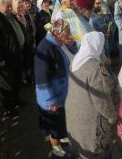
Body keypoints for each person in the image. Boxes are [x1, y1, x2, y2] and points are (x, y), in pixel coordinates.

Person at [66, 32, 117, 159]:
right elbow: (102, 101)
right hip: (90, 125)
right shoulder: (95, 68)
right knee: (101, 153)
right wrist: (113, 117)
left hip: (74, 119)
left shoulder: (76, 60)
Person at [35, 19, 75, 158]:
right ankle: (56, 150)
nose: (70, 33)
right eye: (67, 31)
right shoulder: (45, 48)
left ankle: (62, 138)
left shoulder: (57, 42)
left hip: (60, 93)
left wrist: (70, 43)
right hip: (52, 98)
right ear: (58, 33)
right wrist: (50, 100)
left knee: (60, 121)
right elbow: (41, 78)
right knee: (54, 125)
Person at [0, 0, 25, 114]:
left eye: (10, 6)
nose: (9, 8)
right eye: (7, 6)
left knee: (16, 80)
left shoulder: (11, 16)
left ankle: (16, 100)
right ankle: (9, 108)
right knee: (7, 84)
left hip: (16, 55)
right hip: (5, 59)